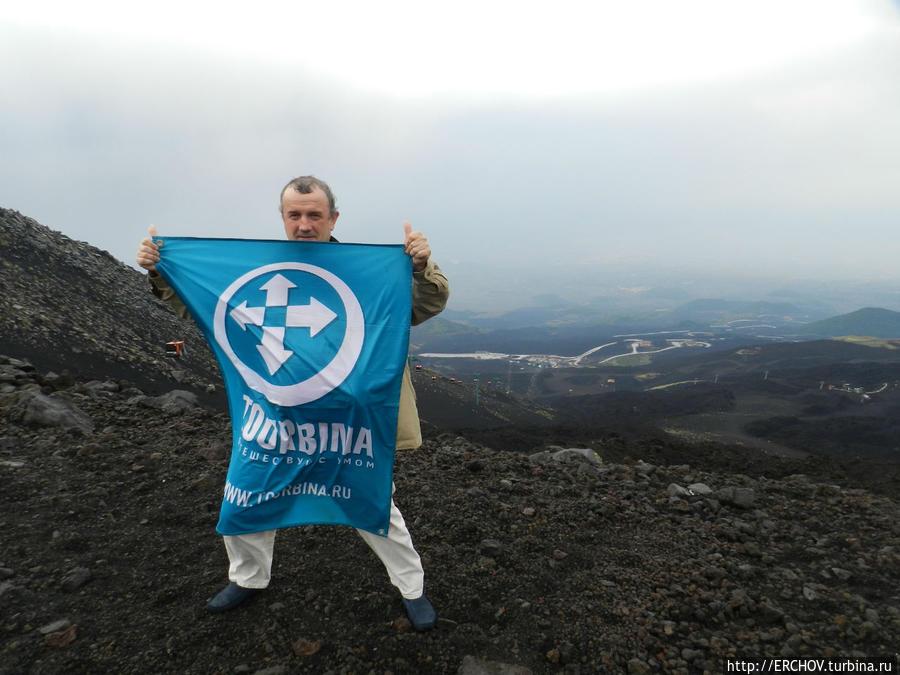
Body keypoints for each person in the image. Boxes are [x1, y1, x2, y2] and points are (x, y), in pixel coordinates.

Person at [135, 175, 449, 630]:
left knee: (373, 499)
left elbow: (423, 305)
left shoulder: (368, 272)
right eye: (295, 215)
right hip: (276, 414)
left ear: (333, 218)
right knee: (248, 493)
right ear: (283, 217)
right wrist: (159, 272)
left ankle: (412, 589)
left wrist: (421, 267)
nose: (304, 224)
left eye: (314, 214)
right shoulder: (253, 270)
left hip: (349, 419)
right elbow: (205, 309)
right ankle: (248, 578)